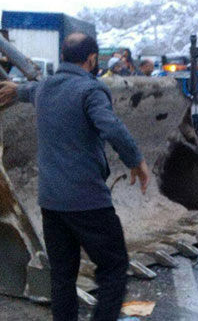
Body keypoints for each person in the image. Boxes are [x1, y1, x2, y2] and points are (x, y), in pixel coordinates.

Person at [0, 33, 149, 321]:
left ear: (64, 56)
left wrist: (14, 90)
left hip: (51, 203)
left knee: (63, 277)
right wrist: (136, 161)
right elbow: (112, 127)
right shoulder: (90, 91)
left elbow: (31, 90)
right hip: (88, 201)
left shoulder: (44, 88)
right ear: (92, 59)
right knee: (114, 267)